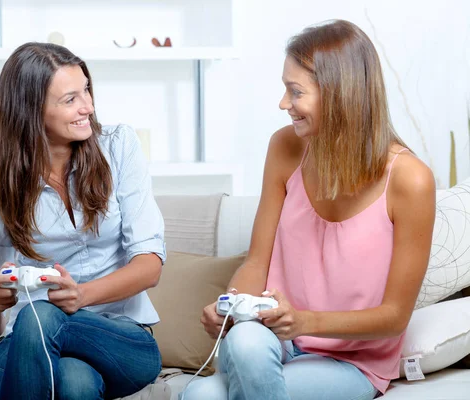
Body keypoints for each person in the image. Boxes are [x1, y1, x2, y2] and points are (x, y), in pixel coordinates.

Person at [182, 19, 436, 400]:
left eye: (295, 91)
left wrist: (305, 321)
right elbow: (257, 261)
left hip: (352, 361)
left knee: (199, 397)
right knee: (246, 342)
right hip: (274, 343)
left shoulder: (410, 180)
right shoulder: (285, 147)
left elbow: (395, 316)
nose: (284, 104)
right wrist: (232, 306)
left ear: (338, 95)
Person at [0, 42, 166, 400]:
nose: (87, 107)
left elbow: (149, 266)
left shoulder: (119, 147)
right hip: (29, 346)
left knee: (40, 314)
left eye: (87, 90)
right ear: (30, 111)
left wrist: (81, 296)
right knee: (75, 381)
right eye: (70, 99)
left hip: (121, 340)